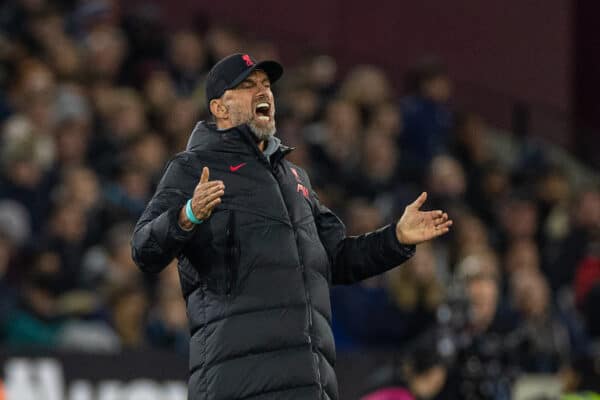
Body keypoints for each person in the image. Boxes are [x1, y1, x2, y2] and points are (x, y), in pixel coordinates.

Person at [131, 53, 452, 400]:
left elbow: (338, 259)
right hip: (238, 385)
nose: (264, 92)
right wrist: (187, 215)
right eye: (248, 86)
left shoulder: (296, 178)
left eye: (267, 85)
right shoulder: (194, 167)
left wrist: (395, 238)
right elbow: (144, 249)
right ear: (220, 109)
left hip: (308, 384)